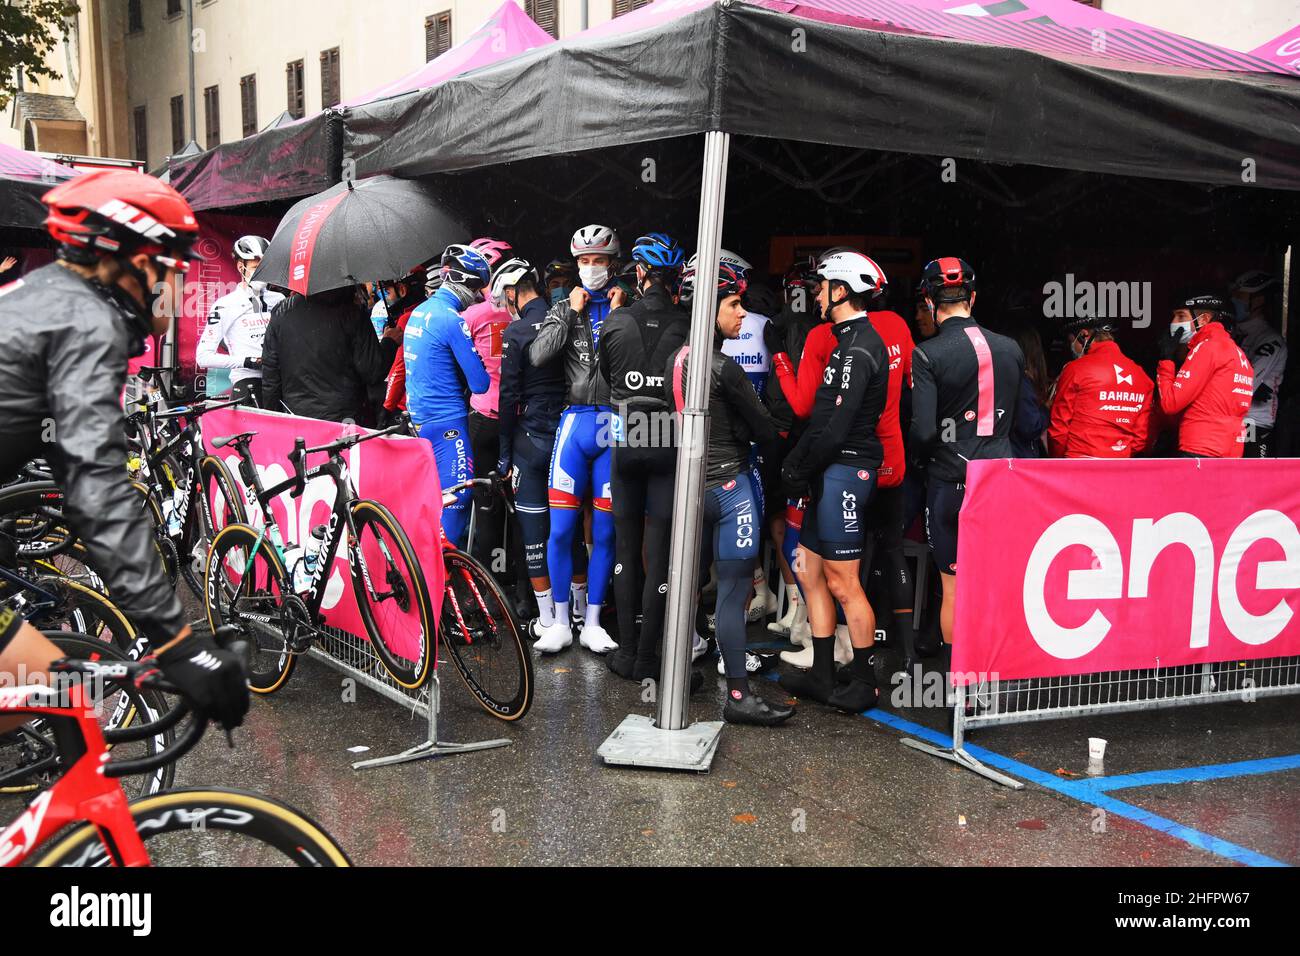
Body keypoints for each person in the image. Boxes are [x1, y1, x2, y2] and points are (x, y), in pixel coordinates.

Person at [0, 169, 248, 732]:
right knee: (46, 690)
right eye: (176, 269)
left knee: (42, 690)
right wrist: (180, 644)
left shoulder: (48, 300)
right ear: (139, 264)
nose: (181, 288)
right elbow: (100, 494)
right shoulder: (86, 320)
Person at [665, 262, 792, 726]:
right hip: (731, 489)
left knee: (685, 586)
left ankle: (677, 677)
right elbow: (765, 428)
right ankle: (738, 694)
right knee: (733, 593)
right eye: (734, 305)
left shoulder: (674, 359)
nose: (742, 315)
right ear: (707, 309)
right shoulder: (725, 366)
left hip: (688, 491)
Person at [778, 250, 891, 714]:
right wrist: (802, 469)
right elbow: (822, 418)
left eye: (823, 287)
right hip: (828, 469)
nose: (817, 294)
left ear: (841, 291)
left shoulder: (860, 345)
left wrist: (795, 469)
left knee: (844, 582)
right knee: (809, 569)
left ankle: (865, 681)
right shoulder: (846, 341)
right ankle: (823, 671)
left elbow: (834, 428)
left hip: (846, 469)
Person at [909, 257, 1023, 683]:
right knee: (991, 585)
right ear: (973, 298)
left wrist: (928, 458)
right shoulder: (1010, 347)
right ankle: (994, 677)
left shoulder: (928, 353)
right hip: (999, 478)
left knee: (954, 587)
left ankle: (962, 691)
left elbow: (922, 431)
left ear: (930, 301)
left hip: (951, 478)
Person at [597, 232, 689, 679]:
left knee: (625, 548)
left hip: (625, 441)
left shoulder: (615, 322)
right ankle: (651, 657)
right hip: (669, 444)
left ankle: (629, 654)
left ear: (639, 274)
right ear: (674, 280)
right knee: (659, 552)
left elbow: (603, 380)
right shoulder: (689, 324)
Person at [528, 225, 621, 654]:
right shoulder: (564, 305)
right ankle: (561, 623)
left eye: (597, 261)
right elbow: (538, 355)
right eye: (583, 261)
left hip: (616, 426)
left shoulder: (629, 306)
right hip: (574, 423)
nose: (590, 269)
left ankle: (595, 622)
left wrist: (623, 316)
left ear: (611, 264)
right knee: (561, 529)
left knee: (604, 532)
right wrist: (567, 310)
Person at [494, 256, 580, 638]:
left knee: (534, 529)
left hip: (530, 439)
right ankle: (578, 613)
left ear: (512, 292)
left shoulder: (515, 332)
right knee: (569, 529)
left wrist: (503, 453)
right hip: (569, 434)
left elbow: (508, 396)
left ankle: (547, 619)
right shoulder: (567, 317)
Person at [404, 243, 493, 548]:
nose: (480, 296)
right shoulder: (451, 319)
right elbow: (480, 383)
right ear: (466, 283)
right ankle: (444, 576)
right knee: (458, 495)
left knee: (432, 497)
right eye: (478, 287)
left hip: (419, 420)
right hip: (448, 422)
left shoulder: (419, 312)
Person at [759, 257, 821, 640]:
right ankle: (796, 608)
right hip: (802, 434)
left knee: (787, 523)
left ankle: (801, 611)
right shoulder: (819, 326)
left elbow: (794, 397)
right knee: (787, 523)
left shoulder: (786, 326)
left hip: (789, 432)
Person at [262, 283, 400, 425]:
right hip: (346, 420)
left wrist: (273, 421)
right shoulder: (353, 313)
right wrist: (390, 342)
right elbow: (372, 371)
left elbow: (270, 377)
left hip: (298, 418)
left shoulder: (281, 313)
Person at [462, 237, 516, 573]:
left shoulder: (471, 314)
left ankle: (489, 573)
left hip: (483, 414)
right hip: (516, 416)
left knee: (485, 498)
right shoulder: (519, 312)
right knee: (520, 500)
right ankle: (513, 573)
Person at [1155, 290, 1253, 458]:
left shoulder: (1207, 347)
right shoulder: (1237, 352)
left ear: (1204, 319)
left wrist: (1166, 361)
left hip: (1201, 446)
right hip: (1232, 447)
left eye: (1180, 316)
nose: (1173, 322)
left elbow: (1170, 403)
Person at [1047, 314, 1152, 458]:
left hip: (1078, 465)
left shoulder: (1075, 369)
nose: (1071, 347)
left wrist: (1058, 461)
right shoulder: (1142, 376)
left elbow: (1058, 429)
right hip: (1119, 466)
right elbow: (1140, 439)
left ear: (1084, 335)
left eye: (1071, 341)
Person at [196, 236, 282, 406]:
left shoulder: (279, 299)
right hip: (247, 381)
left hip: (280, 380)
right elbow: (203, 357)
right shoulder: (225, 305)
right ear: (240, 266)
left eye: (264, 268)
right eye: (255, 267)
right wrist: (247, 361)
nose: (261, 274)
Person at [1230, 271, 1287, 457]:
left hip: (1255, 424)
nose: (1234, 301)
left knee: (1251, 485)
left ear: (1259, 300)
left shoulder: (1271, 339)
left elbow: (1246, 385)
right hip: (1228, 422)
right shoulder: (1230, 334)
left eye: (1240, 296)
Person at [376, 265, 431, 421]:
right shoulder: (431, 309)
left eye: (388, 292)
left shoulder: (407, 319)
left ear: (402, 290)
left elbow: (399, 368)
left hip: (409, 404)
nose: (388, 297)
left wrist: (386, 408)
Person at [1009, 322, 1051, 457]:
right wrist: (1046, 409)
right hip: (1019, 459)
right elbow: (1030, 427)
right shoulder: (1021, 382)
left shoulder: (1009, 377)